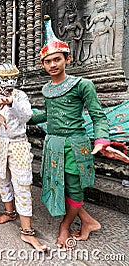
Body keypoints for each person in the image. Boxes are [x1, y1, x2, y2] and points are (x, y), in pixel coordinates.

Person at [30, 15, 129, 249]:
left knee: (73, 188)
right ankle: (88, 222)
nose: (52, 65)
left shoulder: (83, 84)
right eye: (47, 61)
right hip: (53, 145)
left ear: (68, 59)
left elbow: (98, 115)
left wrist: (102, 139)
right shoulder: (46, 89)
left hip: (76, 145)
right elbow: (48, 115)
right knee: (59, 186)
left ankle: (65, 226)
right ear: (43, 65)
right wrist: (20, 113)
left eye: (57, 59)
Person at [0, 62, 49, 251]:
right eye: (4, 80)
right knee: (2, 180)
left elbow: (27, 116)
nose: (9, 83)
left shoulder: (20, 96)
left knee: (23, 184)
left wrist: (12, 103)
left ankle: (27, 231)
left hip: (18, 143)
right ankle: (9, 213)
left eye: (12, 79)